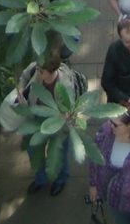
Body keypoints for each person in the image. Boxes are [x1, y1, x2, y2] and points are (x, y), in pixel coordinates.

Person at [16, 52, 79, 197]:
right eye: (38, 69)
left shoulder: (64, 84)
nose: (37, 72)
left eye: (41, 71)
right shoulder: (37, 68)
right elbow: (25, 75)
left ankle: (61, 178)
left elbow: (70, 108)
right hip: (36, 117)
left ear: (52, 72)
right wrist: (21, 88)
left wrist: (66, 115)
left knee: (58, 153)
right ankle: (40, 179)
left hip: (58, 124)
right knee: (33, 149)